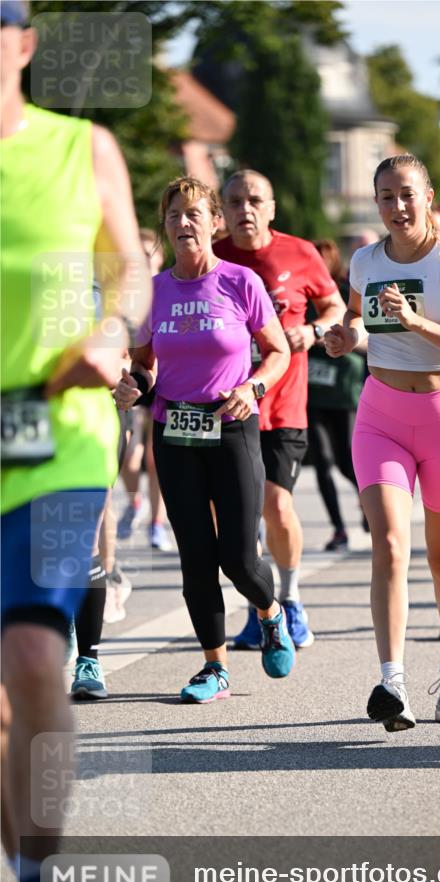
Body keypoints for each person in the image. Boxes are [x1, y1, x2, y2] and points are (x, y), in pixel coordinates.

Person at [0, 4, 152, 882]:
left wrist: (111, 331)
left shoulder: (79, 147)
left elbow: (129, 267)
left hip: (56, 434)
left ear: (22, 42)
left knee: (33, 656)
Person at [326, 154, 440, 730]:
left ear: (426, 198)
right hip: (382, 417)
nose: (396, 208)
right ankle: (391, 681)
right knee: (391, 544)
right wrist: (343, 335)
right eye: (385, 197)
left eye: (406, 195)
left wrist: (419, 322)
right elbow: (355, 320)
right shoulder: (366, 260)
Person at [115, 176, 296, 703]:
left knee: (239, 557)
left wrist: (253, 385)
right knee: (195, 555)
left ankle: (270, 612)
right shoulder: (155, 291)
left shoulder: (240, 282)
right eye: (174, 215)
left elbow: (278, 352)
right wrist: (133, 385)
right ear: (165, 226)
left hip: (233, 423)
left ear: (215, 223)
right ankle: (214, 667)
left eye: (194, 213)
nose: (183, 223)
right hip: (175, 431)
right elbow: (145, 365)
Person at [214, 170, 346, 649]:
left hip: (284, 404)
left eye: (254, 200)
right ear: (222, 211)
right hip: (228, 405)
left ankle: (290, 599)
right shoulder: (214, 257)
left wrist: (311, 332)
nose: (244, 209)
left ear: (271, 208)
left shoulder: (300, 253)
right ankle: (259, 606)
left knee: (277, 505)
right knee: (237, 518)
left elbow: (335, 307)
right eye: (234, 201)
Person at [307, 238, 366, 550]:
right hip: (311, 392)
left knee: (346, 460)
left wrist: (339, 339)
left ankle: (369, 502)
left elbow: (365, 337)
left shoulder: (345, 293)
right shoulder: (302, 295)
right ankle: (338, 529)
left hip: (342, 391)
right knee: (322, 460)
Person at [117, 228, 172, 551]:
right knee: (128, 454)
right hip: (132, 373)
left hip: (162, 375)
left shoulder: (166, 286)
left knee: (154, 458)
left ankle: (156, 524)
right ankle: (135, 502)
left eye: (148, 253)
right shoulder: (123, 290)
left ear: (160, 256)